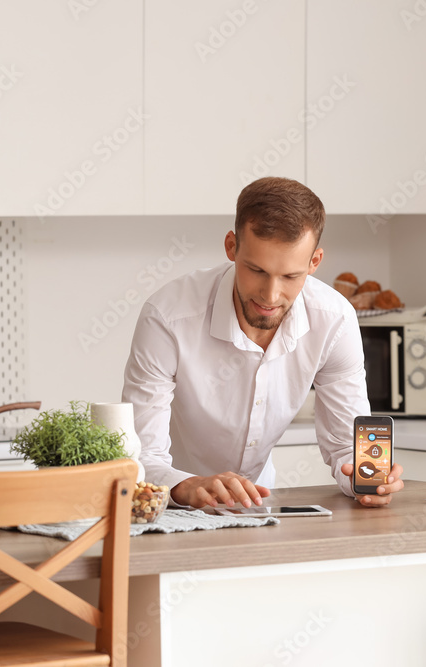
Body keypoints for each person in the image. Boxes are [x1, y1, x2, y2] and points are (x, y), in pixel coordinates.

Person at [122, 177, 404, 508]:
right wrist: (186, 485)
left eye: (290, 276)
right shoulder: (168, 318)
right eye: (256, 270)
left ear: (314, 262)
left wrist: (364, 480)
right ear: (231, 246)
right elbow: (141, 456)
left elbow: (346, 447)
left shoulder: (334, 320)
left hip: (260, 504)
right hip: (171, 506)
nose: (270, 296)